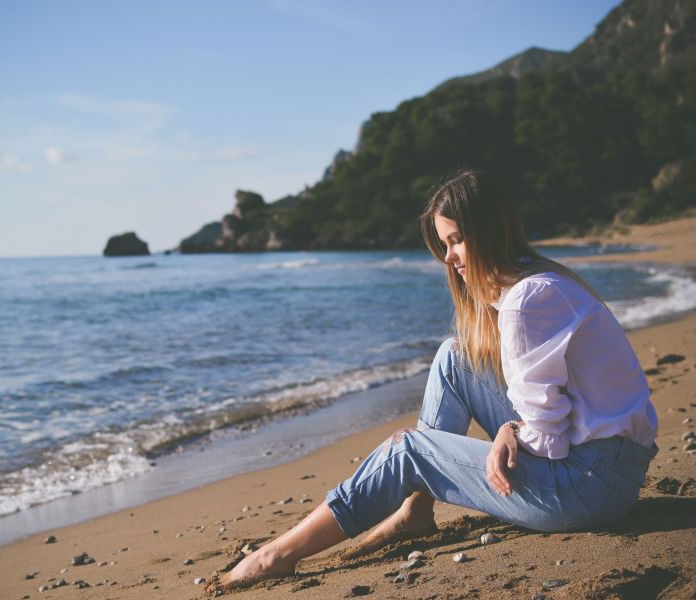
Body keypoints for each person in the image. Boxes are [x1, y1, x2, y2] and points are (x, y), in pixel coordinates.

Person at [220, 169, 658, 589]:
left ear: (489, 231)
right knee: (455, 356)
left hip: (588, 488)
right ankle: (415, 510)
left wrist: (510, 431)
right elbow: (558, 418)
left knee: (409, 450)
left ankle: (275, 556)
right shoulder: (539, 281)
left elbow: (549, 440)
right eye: (444, 243)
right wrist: (512, 430)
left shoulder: (528, 299)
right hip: (606, 469)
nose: (448, 257)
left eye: (457, 240)